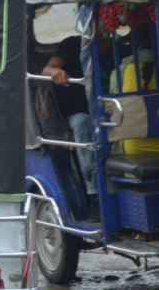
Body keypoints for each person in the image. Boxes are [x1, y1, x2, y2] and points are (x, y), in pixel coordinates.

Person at [44, 35, 115, 197]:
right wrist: (56, 71)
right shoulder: (72, 44)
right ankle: (94, 193)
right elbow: (48, 69)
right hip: (77, 114)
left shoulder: (120, 48)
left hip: (111, 111)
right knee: (83, 123)